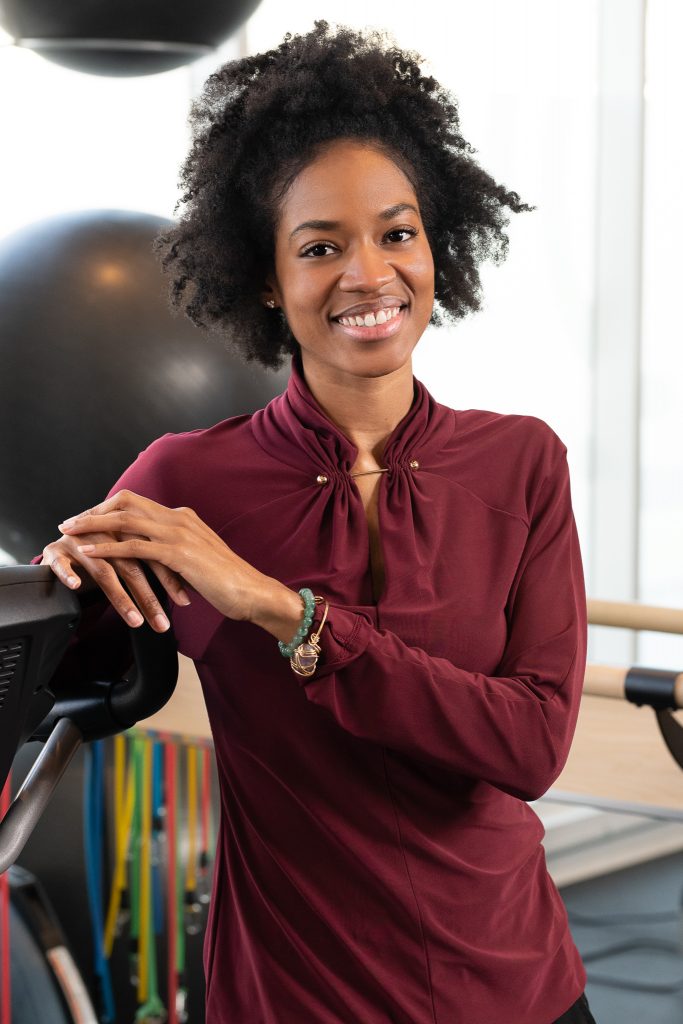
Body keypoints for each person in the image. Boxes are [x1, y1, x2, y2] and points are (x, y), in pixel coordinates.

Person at [34, 20, 597, 1024]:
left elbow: (529, 744)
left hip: (513, 989)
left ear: (436, 243)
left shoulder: (522, 463)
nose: (368, 274)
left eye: (395, 233)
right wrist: (61, 579)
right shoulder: (185, 482)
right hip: (297, 996)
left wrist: (277, 610)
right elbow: (58, 678)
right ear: (266, 275)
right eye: (319, 246)